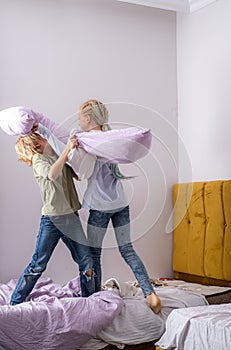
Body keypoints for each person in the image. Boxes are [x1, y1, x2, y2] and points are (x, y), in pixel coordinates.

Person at [78, 99, 162, 314]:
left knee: (93, 254)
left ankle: (94, 298)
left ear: (88, 118)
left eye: (80, 117)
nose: (78, 122)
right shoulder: (115, 139)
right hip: (121, 203)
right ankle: (150, 293)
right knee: (127, 249)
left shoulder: (87, 139)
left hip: (100, 206)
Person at [10, 132, 95, 305]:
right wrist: (67, 151)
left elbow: (77, 175)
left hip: (71, 216)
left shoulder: (58, 156)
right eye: (43, 136)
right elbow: (51, 174)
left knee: (86, 260)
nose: (48, 138)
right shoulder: (38, 161)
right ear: (37, 144)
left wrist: (76, 154)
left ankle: (90, 300)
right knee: (38, 264)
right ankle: (15, 301)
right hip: (53, 219)